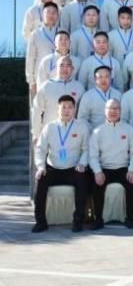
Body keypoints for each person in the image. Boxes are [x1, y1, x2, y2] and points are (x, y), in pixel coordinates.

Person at [31, 95, 91, 232]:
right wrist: (40, 167)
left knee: (83, 180)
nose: (66, 110)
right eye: (63, 107)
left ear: (74, 109)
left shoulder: (82, 127)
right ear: (58, 109)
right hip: (53, 168)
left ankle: (78, 221)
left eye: (70, 107)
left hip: (73, 168)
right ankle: (40, 222)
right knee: (40, 180)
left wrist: (82, 164)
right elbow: (40, 149)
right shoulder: (49, 127)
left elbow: (86, 149)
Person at [88, 98, 133, 230]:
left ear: (121, 111)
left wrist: (132, 169)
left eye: (116, 108)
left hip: (123, 167)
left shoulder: (129, 129)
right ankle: (98, 219)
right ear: (105, 111)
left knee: (132, 182)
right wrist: (97, 171)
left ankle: (130, 217)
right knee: (96, 184)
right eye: (110, 108)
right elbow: (93, 156)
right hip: (104, 168)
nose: (113, 111)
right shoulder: (97, 131)